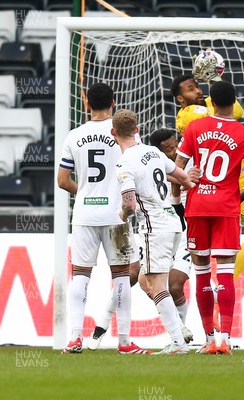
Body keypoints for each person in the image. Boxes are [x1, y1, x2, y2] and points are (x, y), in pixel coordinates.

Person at [57, 83, 148, 355]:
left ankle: (74, 338)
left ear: (86, 102)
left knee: (81, 274)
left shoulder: (74, 136)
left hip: (84, 214)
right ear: (113, 102)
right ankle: (124, 342)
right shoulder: (125, 134)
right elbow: (140, 173)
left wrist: (84, 192)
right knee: (120, 276)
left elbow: (62, 181)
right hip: (117, 215)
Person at [173, 80, 244, 355]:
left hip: (197, 207)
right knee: (224, 273)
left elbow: (176, 169)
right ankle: (225, 339)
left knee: (200, 272)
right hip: (226, 208)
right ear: (234, 102)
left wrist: (183, 191)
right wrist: (237, 196)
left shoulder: (194, 128)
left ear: (210, 100)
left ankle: (208, 338)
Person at [172, 73, 244, 277]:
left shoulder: (207, 104)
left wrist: (215, 80)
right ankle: (223, 283)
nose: (198, 91)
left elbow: (236, 109)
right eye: (191, 89)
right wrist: (217, 86)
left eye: (197, 86)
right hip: (233, 179)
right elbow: (231, 111)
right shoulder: (191, 114)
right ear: (180, 98)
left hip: (229, 172)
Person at [112, 109, 195, 355]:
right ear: (137, 129)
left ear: (113, 133)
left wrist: (123, 214)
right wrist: (192, 185)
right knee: (149, 281)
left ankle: (178, 342)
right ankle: (179, 334)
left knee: (156, 285)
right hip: (173, 223)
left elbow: (129, 204)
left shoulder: (125, 162)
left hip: (153, 226)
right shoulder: (154, 151)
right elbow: (181, 177)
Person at [149, 128, 196, 342]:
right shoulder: (152, 170)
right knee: (140, 280)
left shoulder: (190, 167)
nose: (175, 151)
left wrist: (184, 181)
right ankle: (101, 329)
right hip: (159, 232)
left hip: (186, 233)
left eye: (176, 145)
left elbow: (181, 209)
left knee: (175, 285)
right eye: (168, 149)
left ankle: (180, 334)